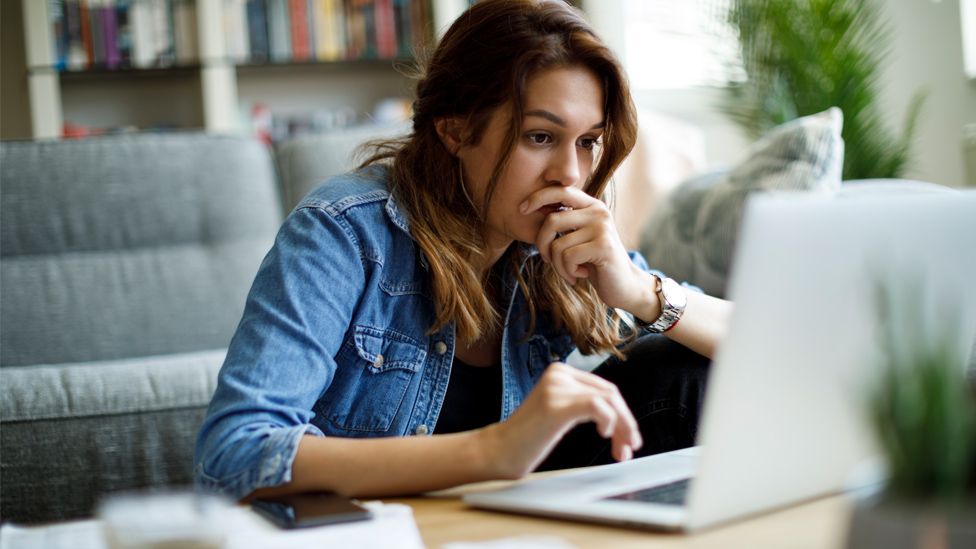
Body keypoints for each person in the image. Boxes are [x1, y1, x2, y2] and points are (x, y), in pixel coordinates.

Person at [194, 0, 732, 501]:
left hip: (502, 519)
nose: (570, 173)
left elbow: (757, 345)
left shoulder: (551, 245)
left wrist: (641, 293)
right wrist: (496, 451)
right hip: (385, 527)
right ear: (455, 129)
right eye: (539, 137)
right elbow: (234, 452)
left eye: (587, 142)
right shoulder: (345, 231)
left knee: (682, 369)